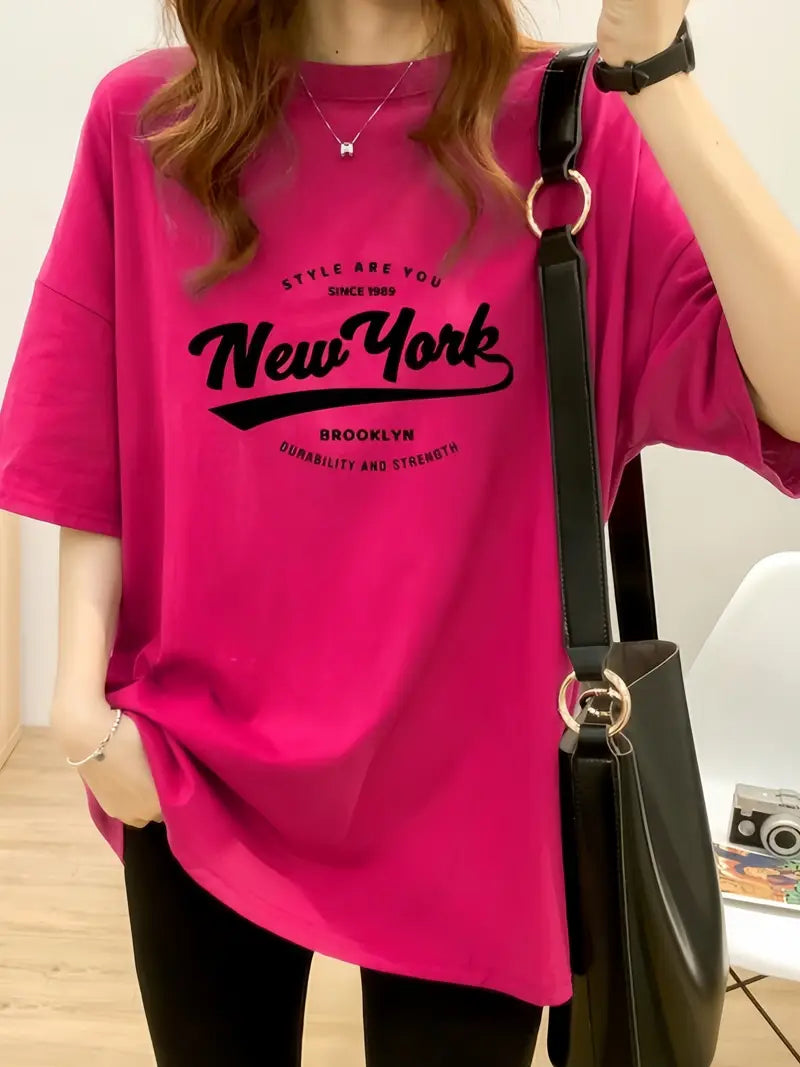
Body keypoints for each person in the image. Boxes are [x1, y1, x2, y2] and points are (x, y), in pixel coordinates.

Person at [1, 0, 799, 1063]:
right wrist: (78, 713)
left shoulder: (564, 133)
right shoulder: (153, 122)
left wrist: (657, 74)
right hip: (199, 758)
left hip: (471, 791)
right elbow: (85, 428)